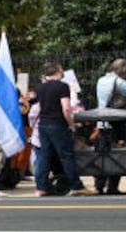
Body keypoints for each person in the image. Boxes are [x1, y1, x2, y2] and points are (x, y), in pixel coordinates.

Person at [33, 63, 95, 197]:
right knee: (66, 156)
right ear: (57, 71)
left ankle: (41, 187)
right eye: (61, 70)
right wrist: (71, 124)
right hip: (58, 124)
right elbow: (66, 108)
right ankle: (76, 185)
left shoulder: (40, 88)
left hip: (43, 124)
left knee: (44, 156)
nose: (63, 73)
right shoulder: (62, 86)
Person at [94, 58, 126, 195]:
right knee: (118, 154)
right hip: (116, 123)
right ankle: (112, 186)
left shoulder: (101, 80)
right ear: (123, 70)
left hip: (102, 121)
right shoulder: (118, 81)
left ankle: (99, 185)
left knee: (102, 154)